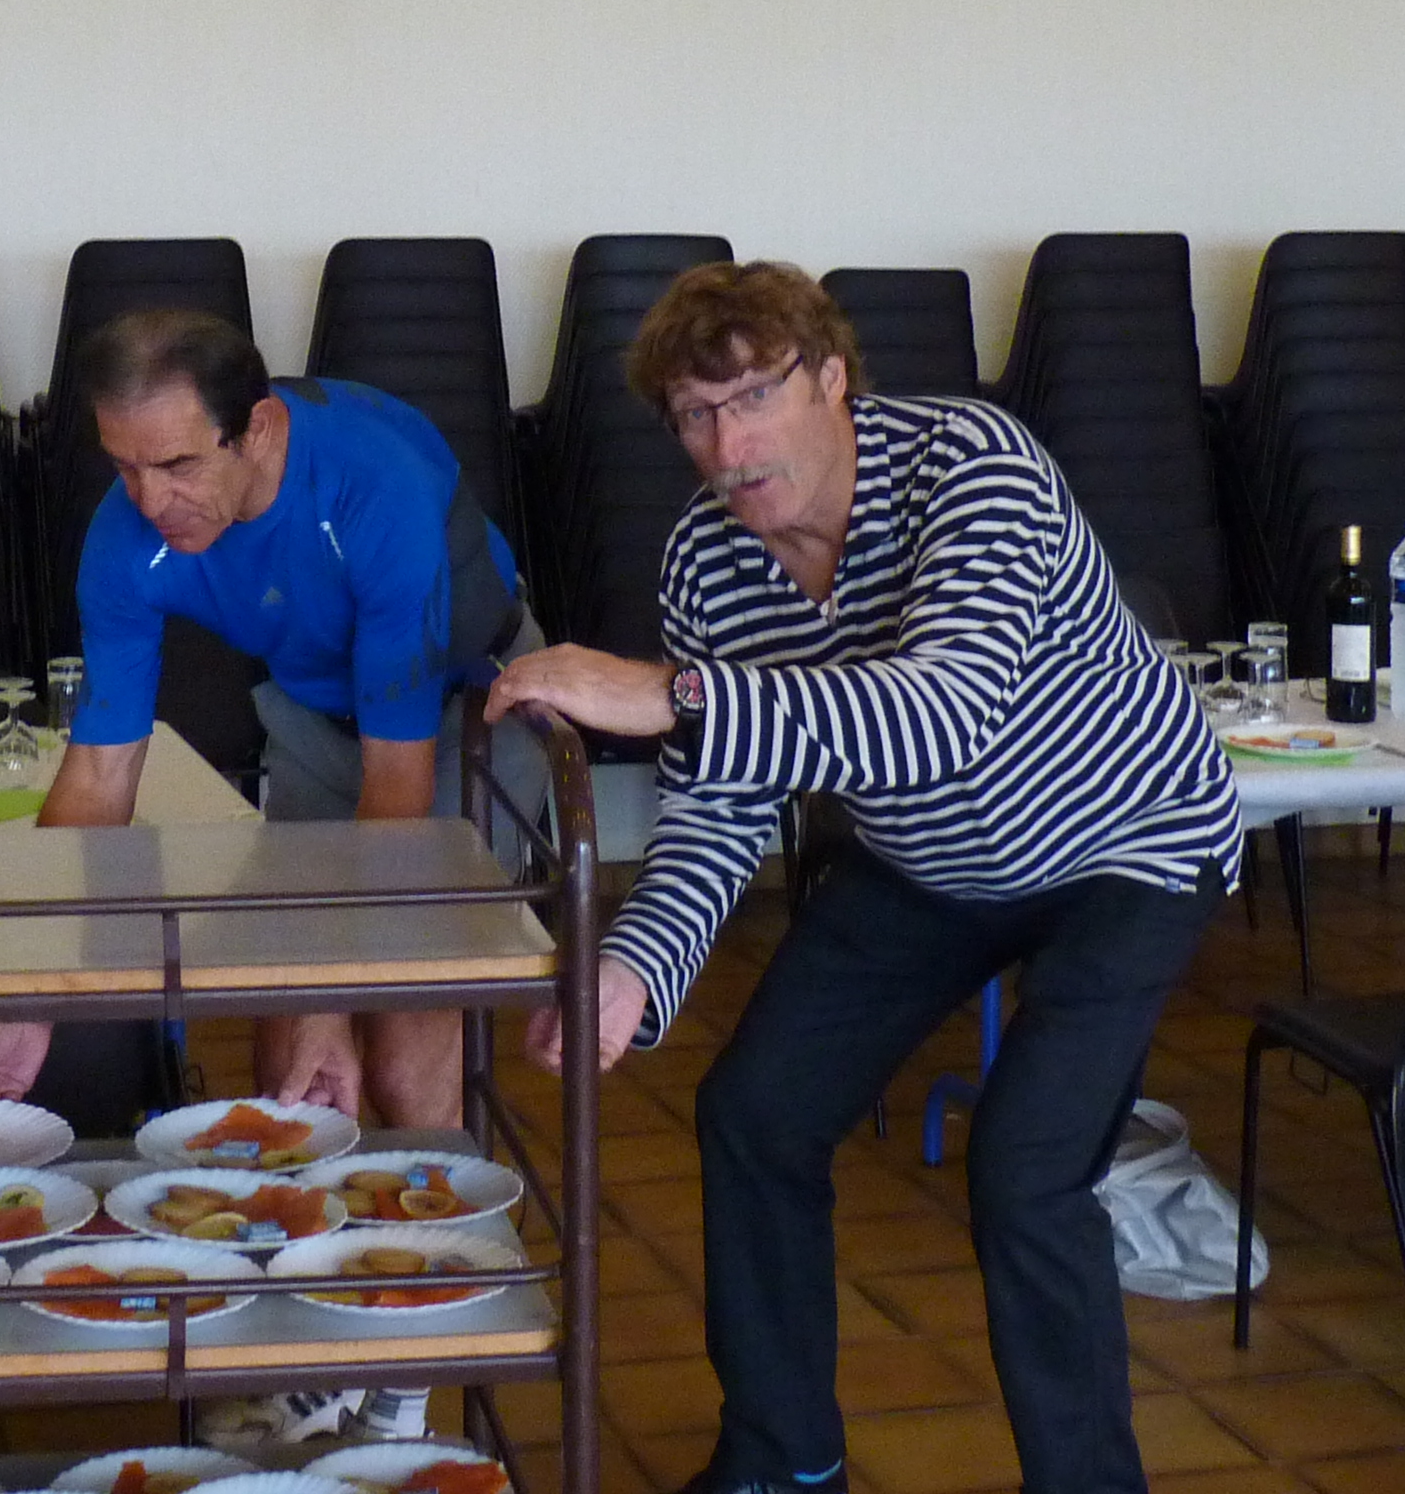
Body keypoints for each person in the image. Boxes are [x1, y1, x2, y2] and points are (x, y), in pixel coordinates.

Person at [486, 261, 1240, 1494]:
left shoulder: (972, 465)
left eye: (754, 395)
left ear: (833, 377)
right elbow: (720, 801)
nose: (728, 444)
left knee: (1027, 1167)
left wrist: (665, 691)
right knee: (753, 1112)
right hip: (928, 860)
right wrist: (632, 967)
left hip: (1127, 841)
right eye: (693, 414)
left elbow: (939, 712)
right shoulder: (706, 557)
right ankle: (784, 1462)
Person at [0, 305, 537, 1451]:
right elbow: (99, 777)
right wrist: (25, 992)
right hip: (313, 715)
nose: (149, 497)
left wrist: (332, 992)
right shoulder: (126, 533)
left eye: (175, 463)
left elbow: (397, 791)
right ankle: (316, 1352)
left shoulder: (371, 487)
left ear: (257, 427)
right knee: (290, 1069)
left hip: (466, 715)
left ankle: (408, 1386)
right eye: (122, 465)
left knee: (403, 1043)